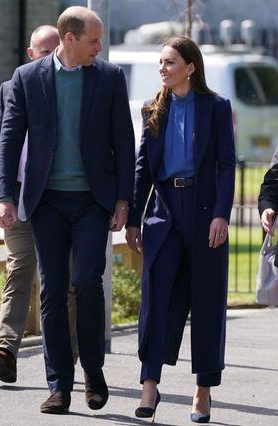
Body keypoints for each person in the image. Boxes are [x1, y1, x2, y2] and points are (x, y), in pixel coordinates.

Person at [0, 6, 135, 415]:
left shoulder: (109, 77)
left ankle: (92, 370)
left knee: (87, 283)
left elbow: (123, 141)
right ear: (69, 39)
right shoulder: (27, 78)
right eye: (94, 40)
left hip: (93, 200)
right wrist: (4, 195)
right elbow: (8, 139)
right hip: (47, 202)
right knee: (53, 289)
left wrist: (123, 200)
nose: (100, 47)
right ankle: (59, 385)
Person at [126, 36, 235, 424]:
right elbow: (142, 169)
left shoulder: (216, 107)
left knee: (206, 302)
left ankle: (203, 390)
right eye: (160, 62)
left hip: (206, 214)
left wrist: (222, 214)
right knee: (156, 300)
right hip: (164, 213)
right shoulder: (152, 109)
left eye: (170, 62)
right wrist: (134, 219)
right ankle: (149, 386)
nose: (162, 68)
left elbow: (226, 164)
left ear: (190, 67)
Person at [0, 25, 78, 383]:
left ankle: (66, 355)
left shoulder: (72, 87)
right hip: (19, 198)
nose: (50, 57)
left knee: (64, 280)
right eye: (43, 51)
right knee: (19, 269)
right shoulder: (11, 89)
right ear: (29, 54)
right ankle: (6, 350)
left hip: (58, 197)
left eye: (56, 50)